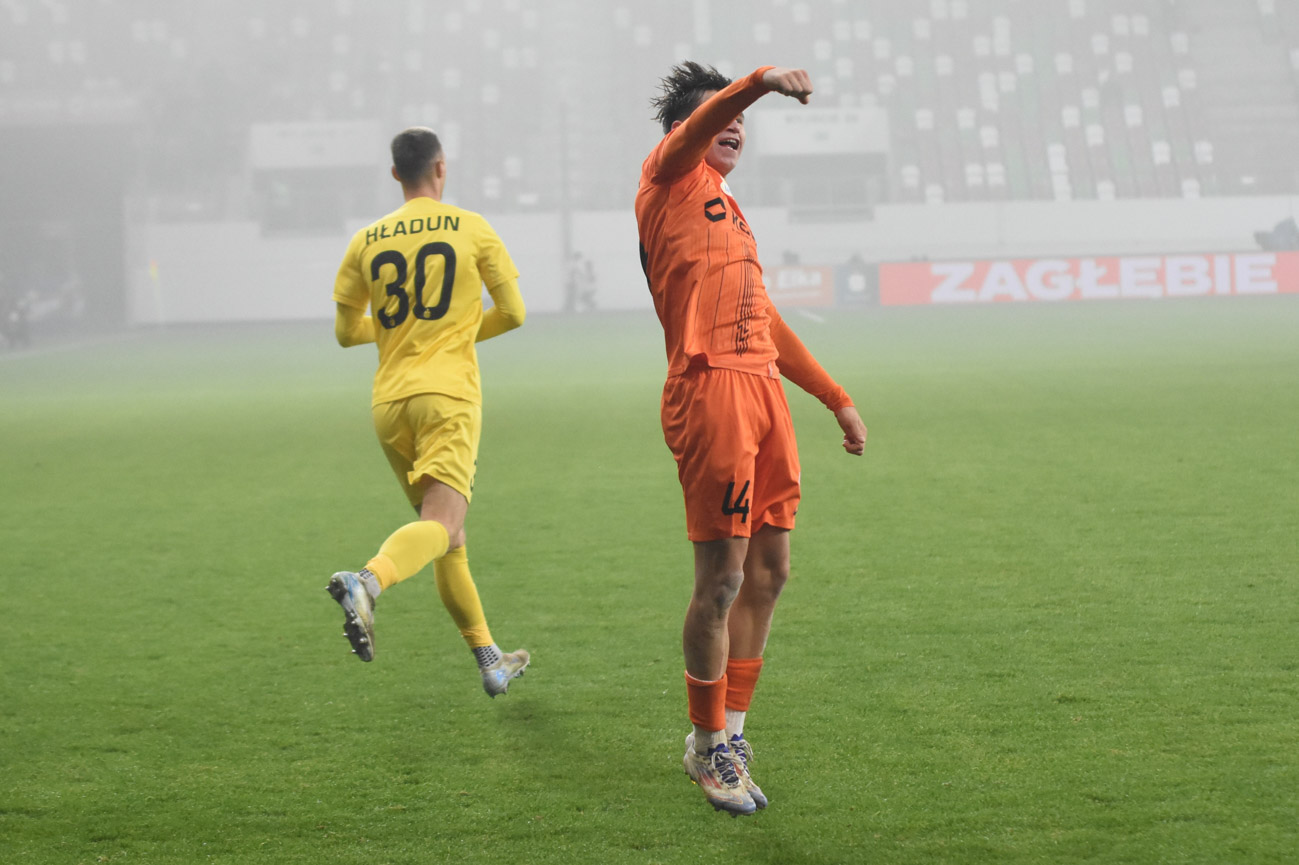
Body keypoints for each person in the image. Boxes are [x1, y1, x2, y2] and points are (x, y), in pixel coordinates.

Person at [635, 63, 868, 815]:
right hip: (711, 390)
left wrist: (834, 397)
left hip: (763, 389)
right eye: (721, 116)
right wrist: (759, 81)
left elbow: (765, 318)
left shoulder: (730, 211)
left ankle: (730, 736)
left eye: (741, 118)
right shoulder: (667, 177)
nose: (734, 125)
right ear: (686, 129)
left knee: (770, 571)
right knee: (722, 580)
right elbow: (703, 123)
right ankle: (705, 746)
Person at [328, 127, 531, 698]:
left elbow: (346, 331)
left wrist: (405, 332)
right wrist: (451, 333)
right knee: (441, 526)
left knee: (447, 535)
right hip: (446, 398)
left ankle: (490, 658)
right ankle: (367, 581)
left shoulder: (366, 240)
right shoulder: (471, 227)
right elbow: (513, 313)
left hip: (390, 404)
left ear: (396, 173)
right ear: (441, 168)